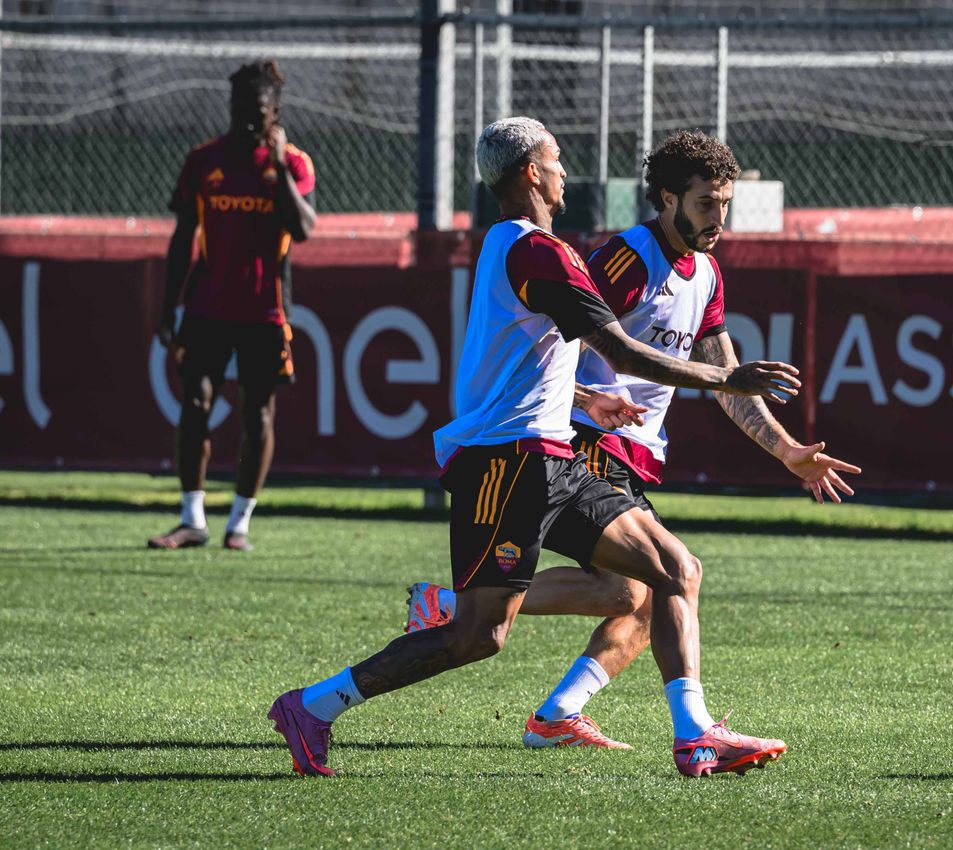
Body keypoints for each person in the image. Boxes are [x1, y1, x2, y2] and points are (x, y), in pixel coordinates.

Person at [269, 117, 799, 778]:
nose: (563, 174)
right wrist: (724, 374)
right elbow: (620, 349)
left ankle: (695, 735)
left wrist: (580, 400)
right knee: (477, 637)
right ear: (529, 173)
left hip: (550, 457)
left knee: (673, 569)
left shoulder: (532, 248)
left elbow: (558, 354)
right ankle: (314, 705)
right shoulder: (535, 250)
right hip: (503, 461)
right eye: (554, 161)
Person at [404, 130, 860, 750]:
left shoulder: (706, 274)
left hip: (635, 451)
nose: (717, 218)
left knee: (637, 598)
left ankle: (552, 706)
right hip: (591, 441)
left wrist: (786, 451)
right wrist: (587, 401)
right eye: (705, 204)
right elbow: (551, 345)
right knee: (662, 579)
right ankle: (689, 732)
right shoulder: (626, 260)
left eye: (725, 204)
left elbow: (727, 381)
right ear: (667, 198)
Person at [148, 60, 316, 552]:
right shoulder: (203, 161)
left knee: (257, 414)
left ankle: (239, 522)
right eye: (238, 107)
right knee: (195, 403)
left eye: (257, 110)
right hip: (206, 307)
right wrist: (167, 308)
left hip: (266, 311)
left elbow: (303, 229)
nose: (245, 117)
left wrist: (279, 163)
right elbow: (182, 239)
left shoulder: (295, 164)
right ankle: (191, 518)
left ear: (275, 112)